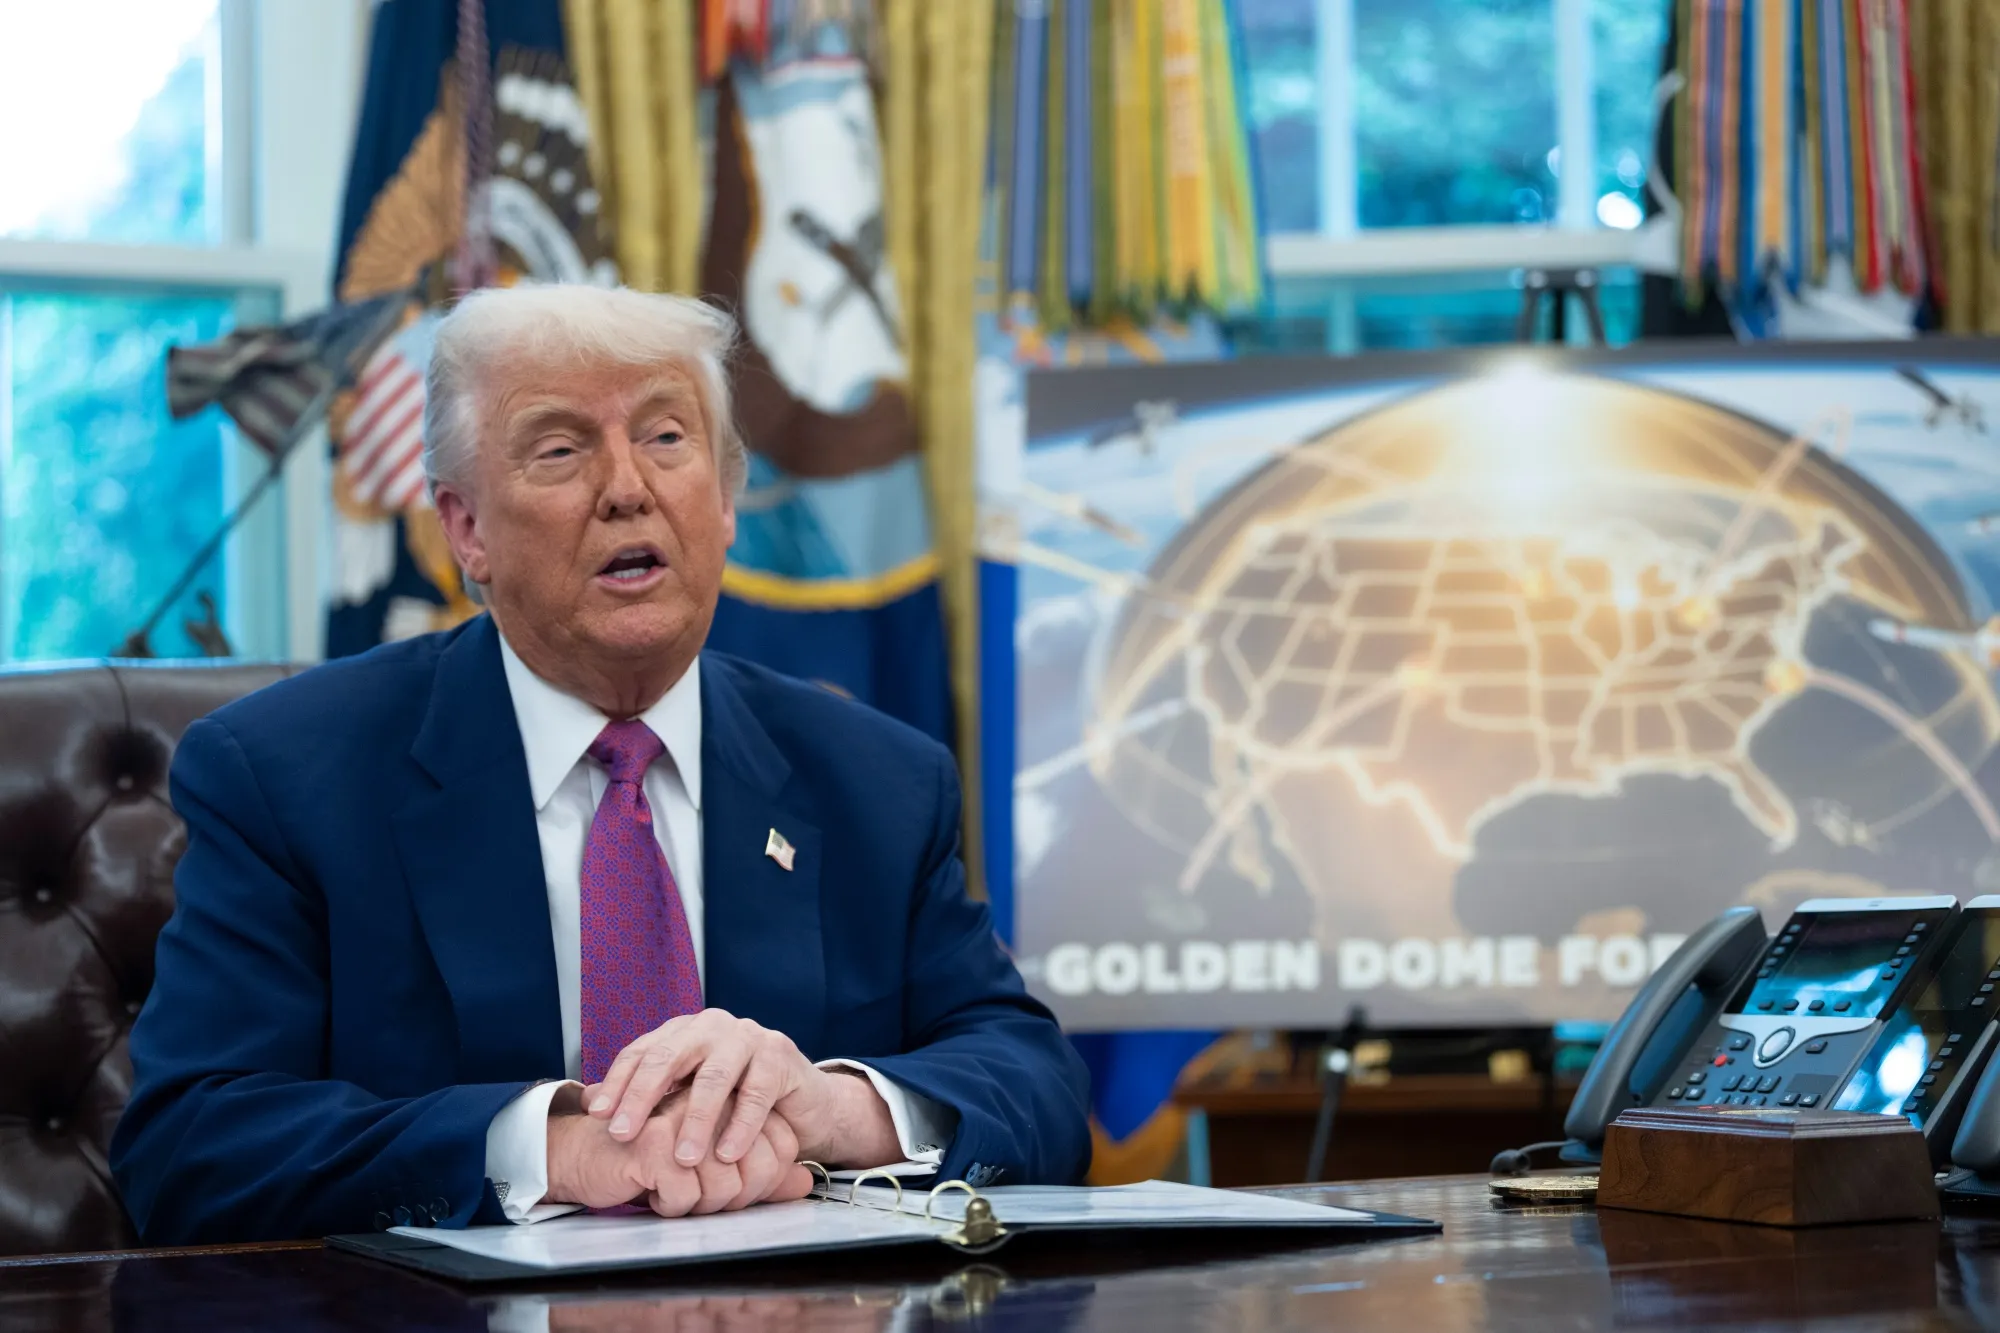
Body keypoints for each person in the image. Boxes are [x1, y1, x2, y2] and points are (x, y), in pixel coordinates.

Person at [110, 285, 1091, 1243]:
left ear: (724, 504)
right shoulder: (287, 774)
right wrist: (558, 1148)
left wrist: (833, 1108)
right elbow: (192, 1142)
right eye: (561, 448)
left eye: (668, 439)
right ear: (466, 530)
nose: (628, 487)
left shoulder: (877, 780)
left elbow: (1034, 1082)